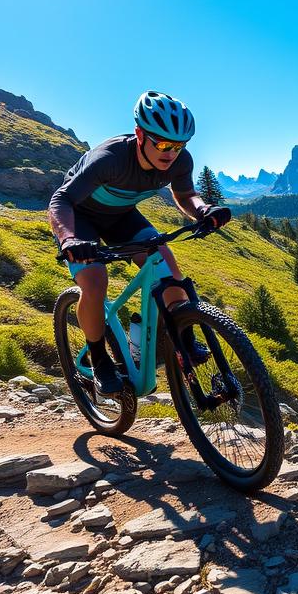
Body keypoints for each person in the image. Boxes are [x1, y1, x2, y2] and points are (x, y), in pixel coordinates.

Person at [48, 91, 231, 395]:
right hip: (80, 218)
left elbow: (185, 195)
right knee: (94, 282)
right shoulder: (108, 160)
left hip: (122, 217)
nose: (170, 152)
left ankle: (183, 340)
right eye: (161, 143)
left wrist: (204, 210)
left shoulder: (180, 161)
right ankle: (99, 359)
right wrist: (69, 239)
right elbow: (61, 199)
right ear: (139, 134)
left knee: (168, 269)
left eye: (178, 145)